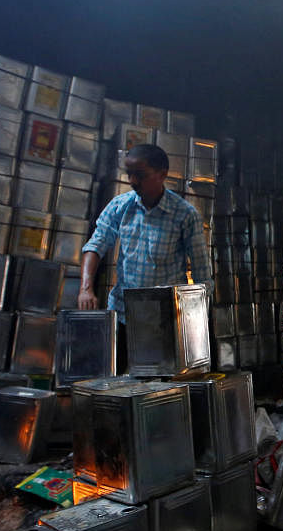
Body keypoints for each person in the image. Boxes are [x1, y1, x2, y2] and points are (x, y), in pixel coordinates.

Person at [78, 143, 212, 367]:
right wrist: (85, 289)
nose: (132, 181)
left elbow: (201, 272)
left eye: (140, 175)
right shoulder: (120, 206)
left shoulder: (184, 214)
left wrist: (196, 321)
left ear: (162, 175)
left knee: (158, 385)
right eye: (129, 174)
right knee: (120, 379)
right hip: (123, 315)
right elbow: (96, 245)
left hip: (164, 321)